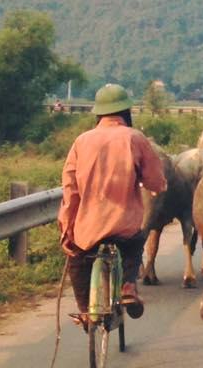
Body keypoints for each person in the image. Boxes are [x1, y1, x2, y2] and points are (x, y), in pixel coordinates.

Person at [58, 83, 167, 324]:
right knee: (136, 243)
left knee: (76, 261)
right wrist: (155, 186)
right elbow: (155, 180)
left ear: (99, 113)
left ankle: (85, 311)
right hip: (124, 225)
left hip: (89, 227)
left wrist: (67, 228)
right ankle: (128, 286)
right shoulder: (134, 138)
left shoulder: (81, 141)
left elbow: (70, 190)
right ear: (126, 112)